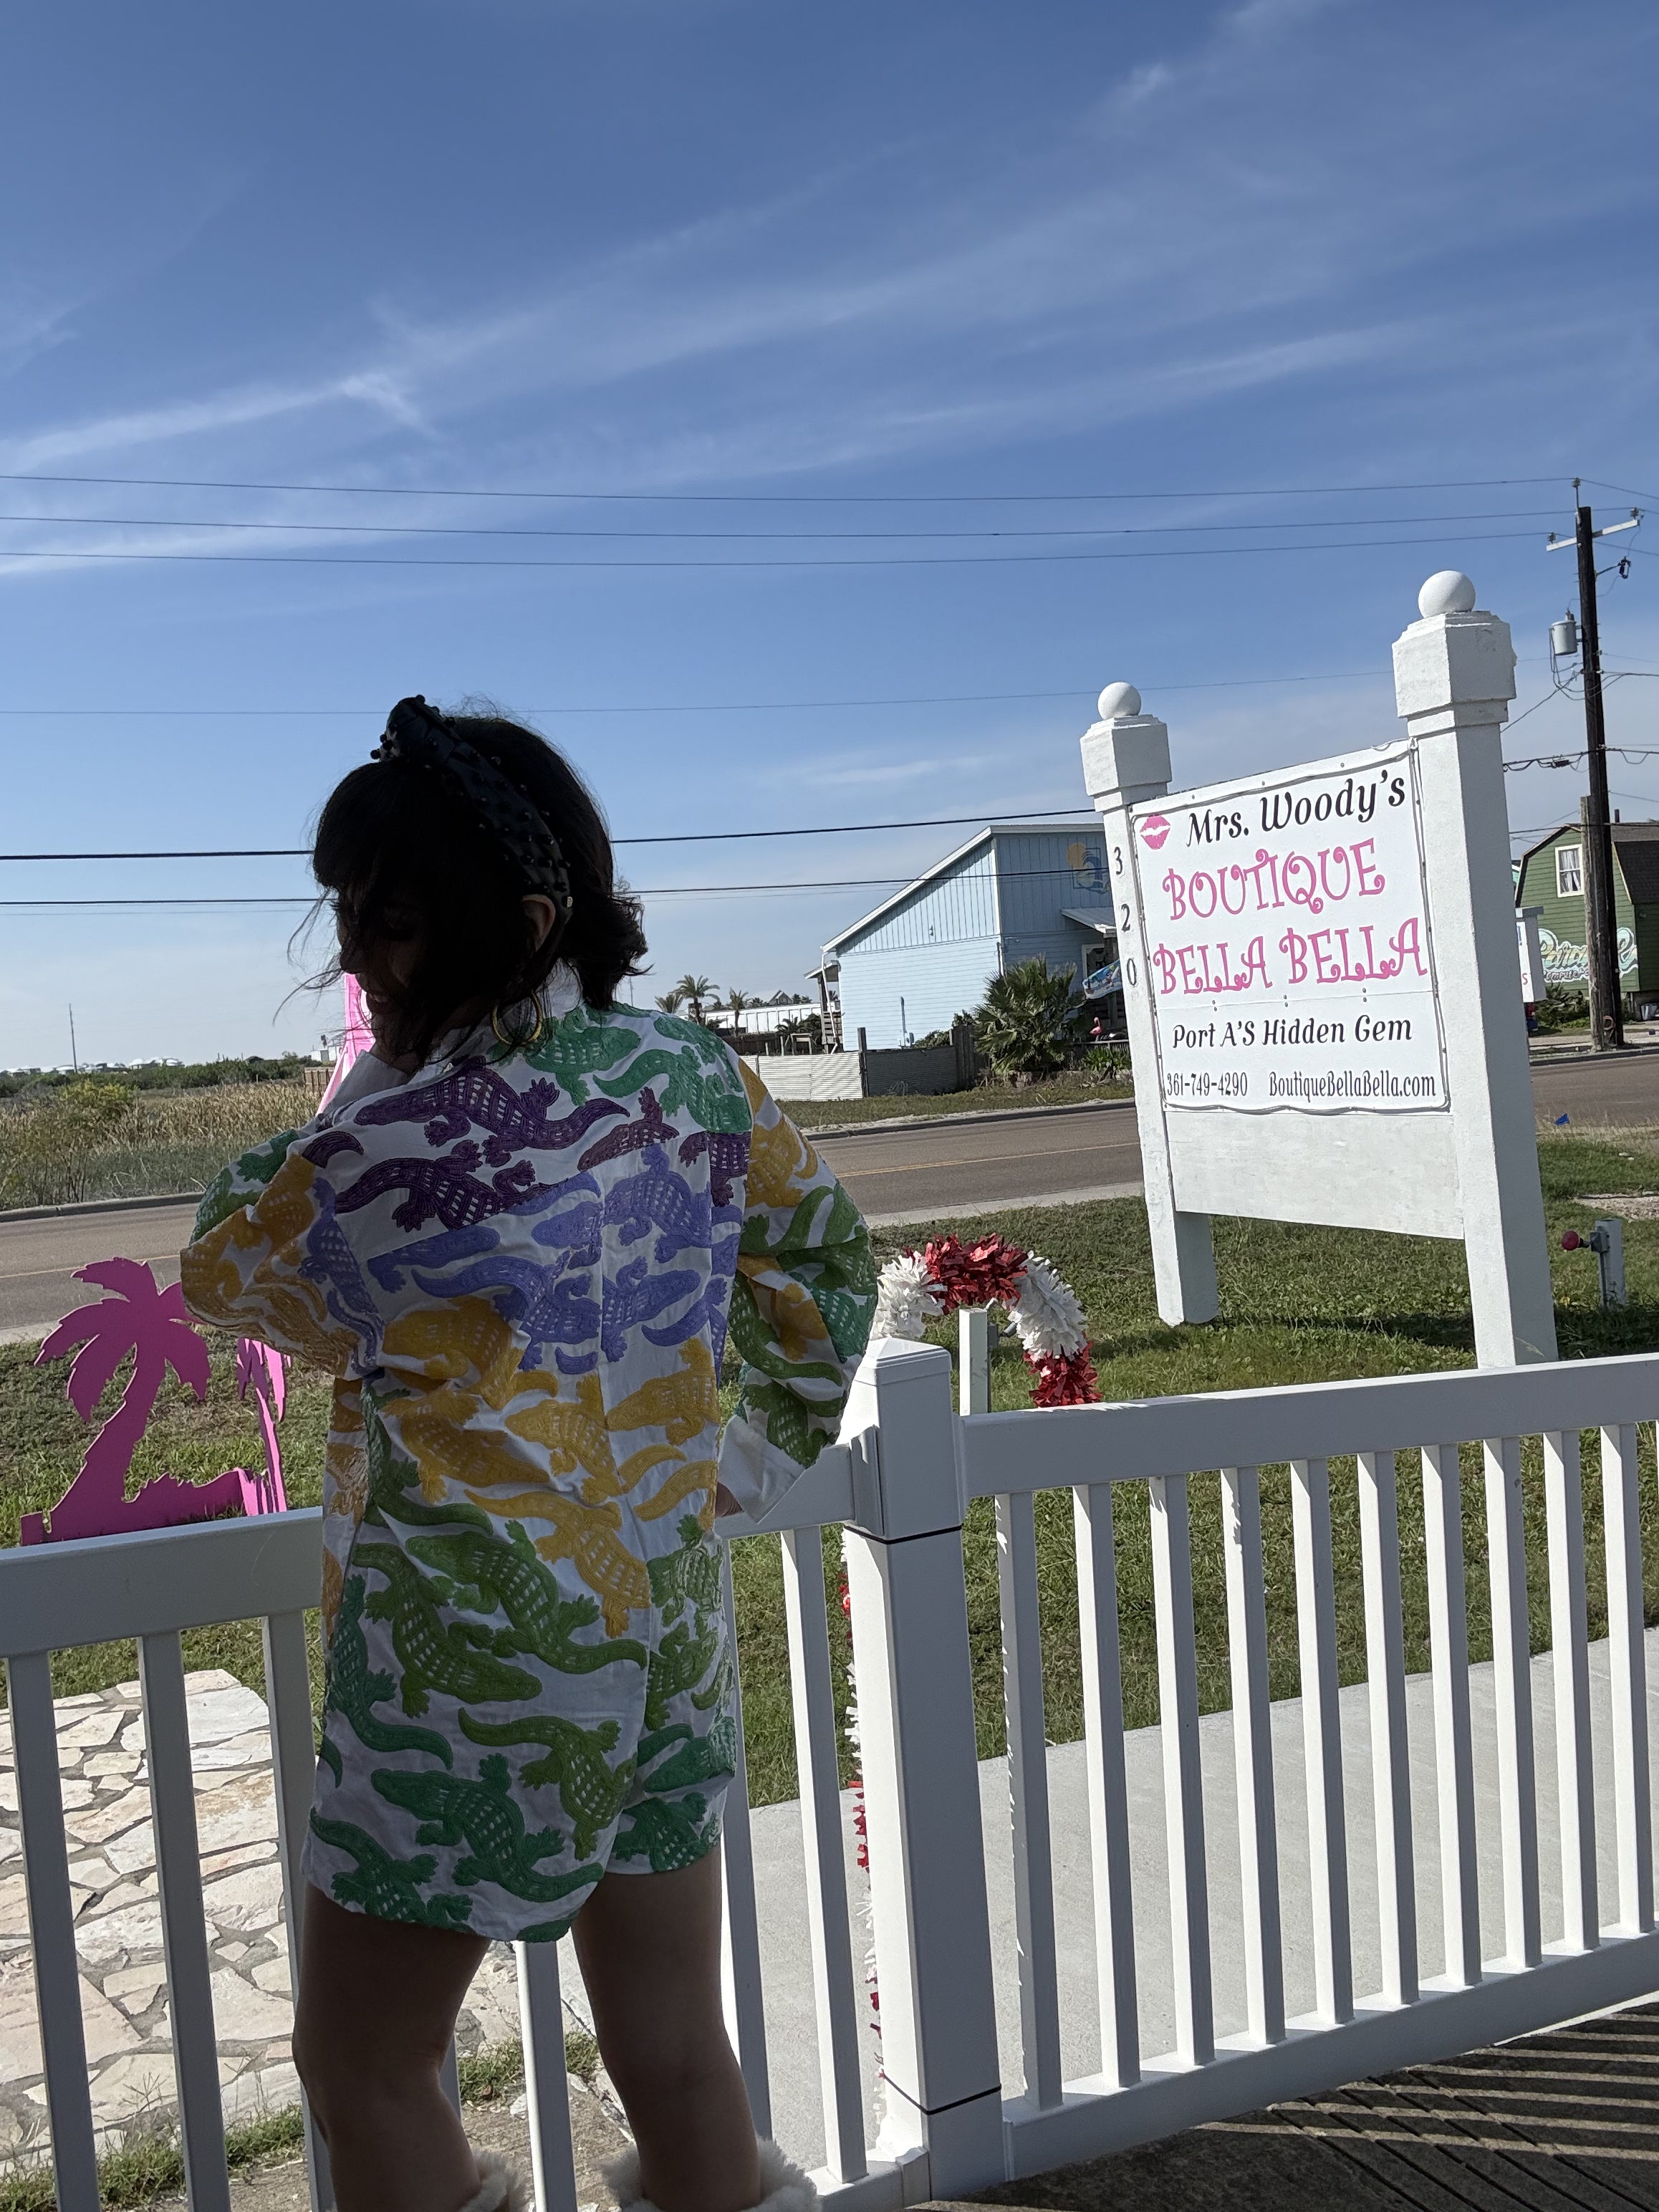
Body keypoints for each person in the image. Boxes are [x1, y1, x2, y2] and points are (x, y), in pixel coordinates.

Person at [181, 699, 875, 2212]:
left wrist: (363, 1095)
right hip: (663, 1637)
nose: (357, 956)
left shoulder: (392, 1141)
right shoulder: (700, 1075)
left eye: (391, 922)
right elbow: (829, 1265)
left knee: (363, 2067)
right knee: (674, 2048)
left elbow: (228, 1267)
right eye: (349, 916)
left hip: (468, 1669)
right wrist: (739, 1466)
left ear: (527, 917)